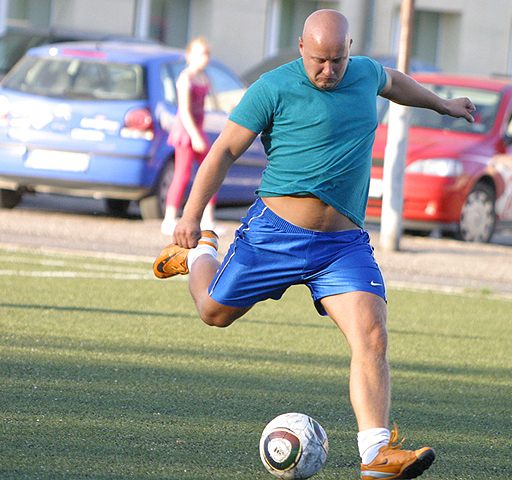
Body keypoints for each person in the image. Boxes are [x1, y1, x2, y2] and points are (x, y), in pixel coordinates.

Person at [153, 10, 475, 479]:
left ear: (350, 51)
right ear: (302, 46)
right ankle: (202, 250)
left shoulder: (364, 73)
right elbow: (223, 151)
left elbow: (395, 82)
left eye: (337, 61)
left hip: (342, 246)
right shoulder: (272, 87)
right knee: (213, 313)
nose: (328, 70)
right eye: (319, 60)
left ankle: (376, 454)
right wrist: (189, 216)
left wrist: (442, 105)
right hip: (274, 237)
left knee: (372, 335)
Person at [161, 37, 219, 236]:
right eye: (199, 54)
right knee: (182, 174)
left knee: (212, 171)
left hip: (198, 131)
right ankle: (169, 218)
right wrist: (194, 136)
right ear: (189, 56)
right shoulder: (185, 78)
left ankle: (208, 219)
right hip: (186, 133)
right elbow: (184, 111)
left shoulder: (204, 78)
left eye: (206, 54)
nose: (204, 58)